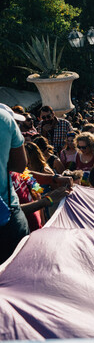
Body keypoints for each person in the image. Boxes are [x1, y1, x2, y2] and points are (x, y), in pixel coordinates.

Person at [0, 105, 28, 263]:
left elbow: (32, 180)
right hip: (9, 216)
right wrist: (47, 200)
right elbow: (22, 167)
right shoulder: (4, 120)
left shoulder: (24, 174)